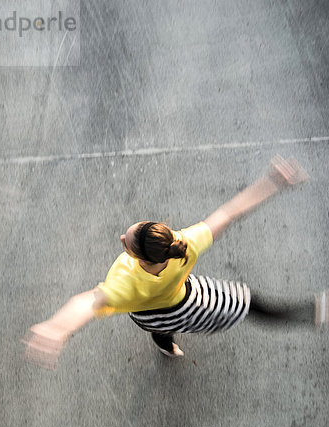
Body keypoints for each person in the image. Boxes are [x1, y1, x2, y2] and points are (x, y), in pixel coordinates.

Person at [21, 155, 326, 370]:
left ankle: (165, 344)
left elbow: (88, 301)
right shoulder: (184, 243)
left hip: (148, 316)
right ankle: (311, 312)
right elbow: (230, 212)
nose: (121, 240)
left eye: (126, 242)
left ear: (136, 255)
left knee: (161, 328)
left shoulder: (125, 284)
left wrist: (58, 328)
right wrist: (272, 183)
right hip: (185, 301)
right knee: (249, 303)